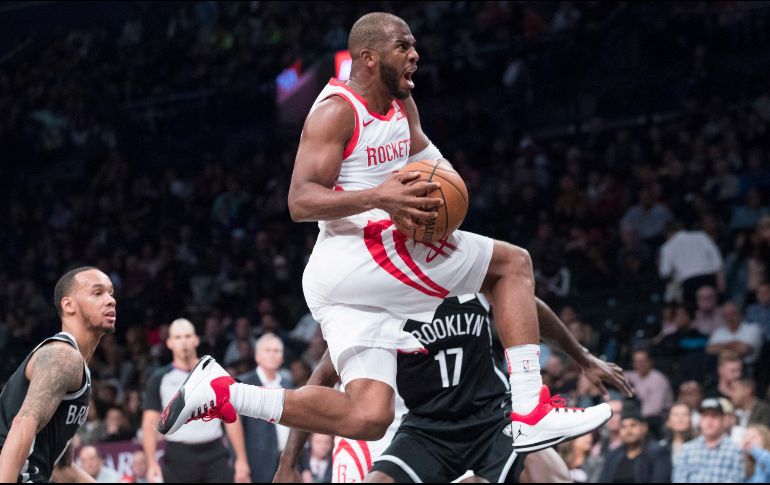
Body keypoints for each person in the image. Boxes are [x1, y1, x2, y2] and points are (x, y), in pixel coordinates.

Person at [158, 11, 612, 455]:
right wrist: (380, 197)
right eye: (404, 45)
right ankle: (530, 411)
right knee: (513, 264)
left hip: (346, 279)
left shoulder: (402, 104)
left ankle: (223, 392)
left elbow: (435, 164)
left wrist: (444, 204)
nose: (416, 53)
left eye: (414, 45)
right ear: (370, 57)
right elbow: (299, 201)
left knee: (370, 417)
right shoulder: (336, 112)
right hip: (361, 252)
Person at [273, 295, 632, 483]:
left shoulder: (467, 267)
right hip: (423, 428)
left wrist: (582, 356)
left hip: (492, 417)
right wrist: (288, 465)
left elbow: (527, 305)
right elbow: (320, 380)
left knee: (551, 474)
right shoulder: (376, 304)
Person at [0, 266, 115, 483]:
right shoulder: (62, 357)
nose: (110, 300)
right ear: (68, 304)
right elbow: (22, 424)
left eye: (111, 293)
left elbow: (64, 467)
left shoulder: (76, 365)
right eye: (98, 293)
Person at [141, 318, 250, 483]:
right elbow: (149, 424)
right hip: (178, 455)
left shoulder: (214, 373)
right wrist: (151, 463)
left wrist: (241, 459)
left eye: (187, 336)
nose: (183, 342)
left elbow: (231, 418)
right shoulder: (159, 378)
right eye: (178, 337)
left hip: (214, 452)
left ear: (196, 339)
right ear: (169, 343)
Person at [238, 333, 294, 483]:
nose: (272, 355)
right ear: (257, 356)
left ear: (282, 357)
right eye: (267, 350)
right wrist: (240, 462)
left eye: (276, 351)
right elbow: (236, 428)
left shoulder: (288, 383)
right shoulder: (244, 384)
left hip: (287, 460)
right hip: (256, 463)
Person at [672, 398, 745, 483]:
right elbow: (679, 479)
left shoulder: (735, 451)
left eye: (714, 416)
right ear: (700, 420)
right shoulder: (686, 450)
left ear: (722, 420)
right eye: (705, 416)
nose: (709, 421)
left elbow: (735, 480)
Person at [598, 402, 671, 483]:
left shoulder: (658, 453)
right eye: (623, 427)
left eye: (633, 425)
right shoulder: (613, 456)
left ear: (644, 427)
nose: (628, 431)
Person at [659, 220, 724, 307]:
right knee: (715, 308)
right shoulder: (701, 235)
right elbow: (716, 259)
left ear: (668, 234)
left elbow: (665, 272)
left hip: (689, 282)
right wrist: (720, 279)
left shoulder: (667, 246)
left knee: (695, 312)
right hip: (709, 278)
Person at [624, 349, 673, 432]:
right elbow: (619, 375)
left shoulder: (657, 379)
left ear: (650, 362)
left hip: (659, 420)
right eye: (637, 362)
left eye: (643, 361)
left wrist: (634, 419)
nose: (640, 365)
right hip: (642, 418)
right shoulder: (636, 376)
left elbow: (654, 410)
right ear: (633, 364)